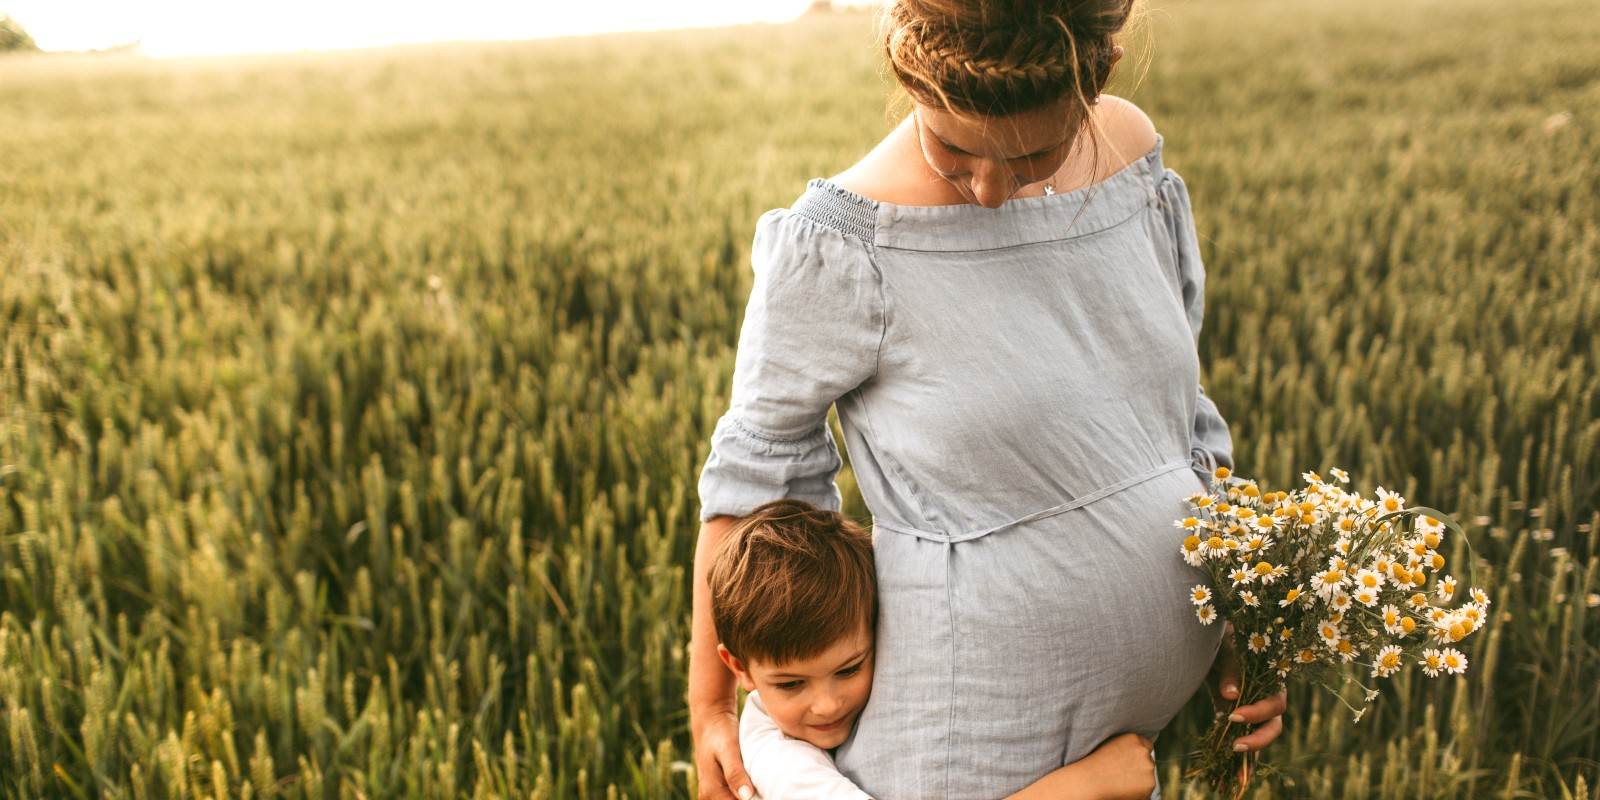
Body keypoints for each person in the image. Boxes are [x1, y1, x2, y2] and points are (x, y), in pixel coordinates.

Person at [689, 1, 1289, 797]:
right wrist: (710, 708)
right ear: (910, 79)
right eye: (954, 147)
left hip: (1131, 739)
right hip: (965, 752)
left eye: (1035, 153)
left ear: (1097, 78)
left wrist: (1238, 609)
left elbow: (1178, 422)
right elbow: (750, 483)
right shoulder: (845, 243)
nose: (993, 188)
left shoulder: (1136, 163)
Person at [710, 497, 1162, 800]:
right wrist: (1083, 785)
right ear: (738, 668)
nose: (827, 704)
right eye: (791, 684)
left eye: (848, 670)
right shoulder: (776, 759)